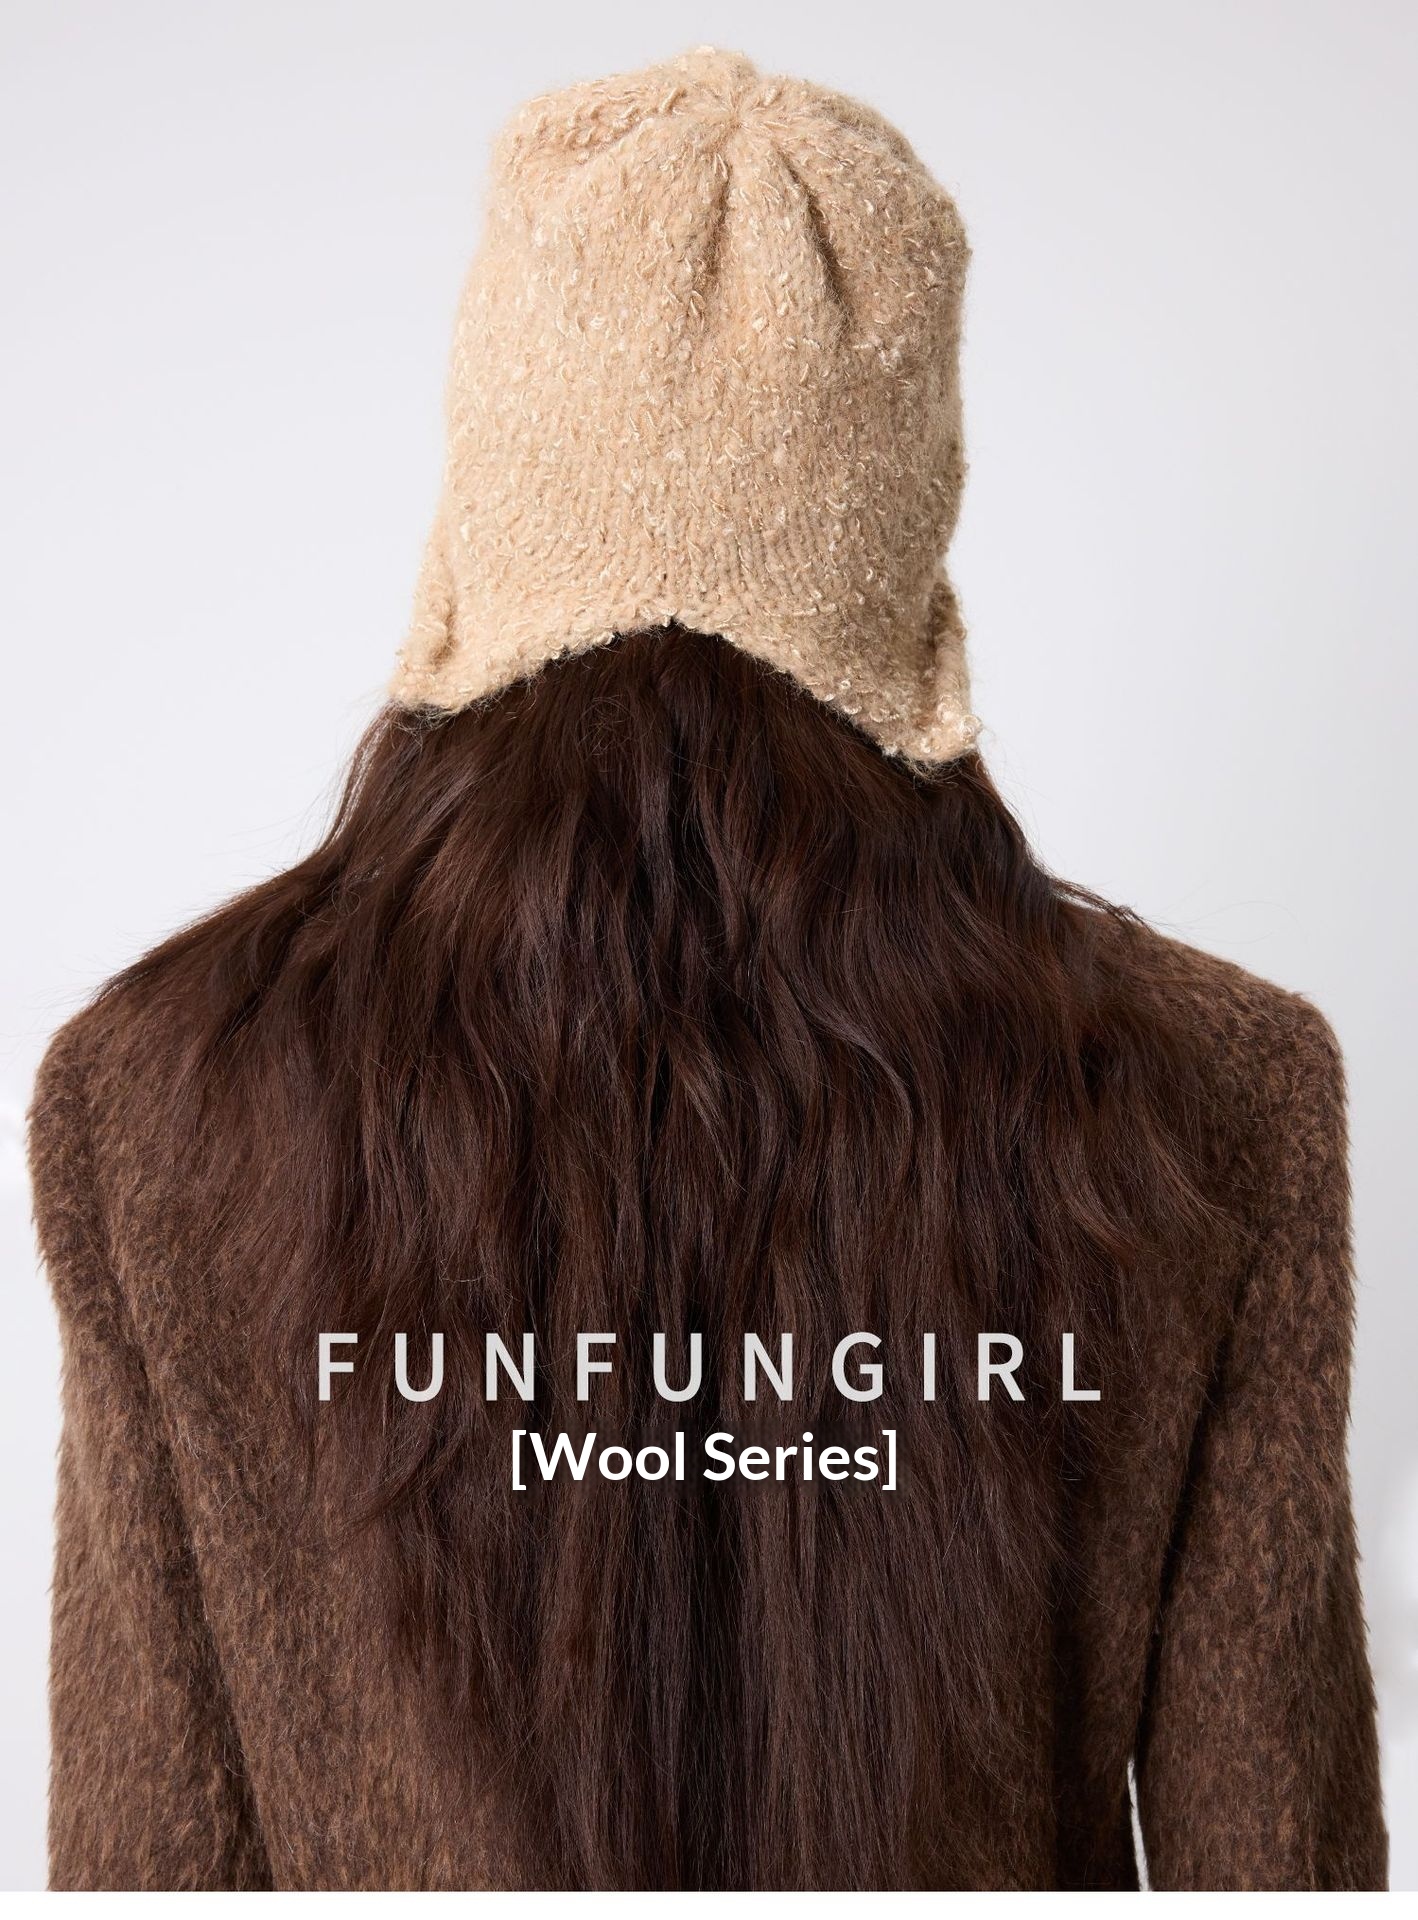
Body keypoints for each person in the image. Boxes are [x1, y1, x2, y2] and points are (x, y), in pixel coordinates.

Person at [29, 47, 1386, 1891]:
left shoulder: (156, 1097)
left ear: (488, 503)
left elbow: (149, 1862)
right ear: (900, 525)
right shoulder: (1224, 1095)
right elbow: (1277, 1864)